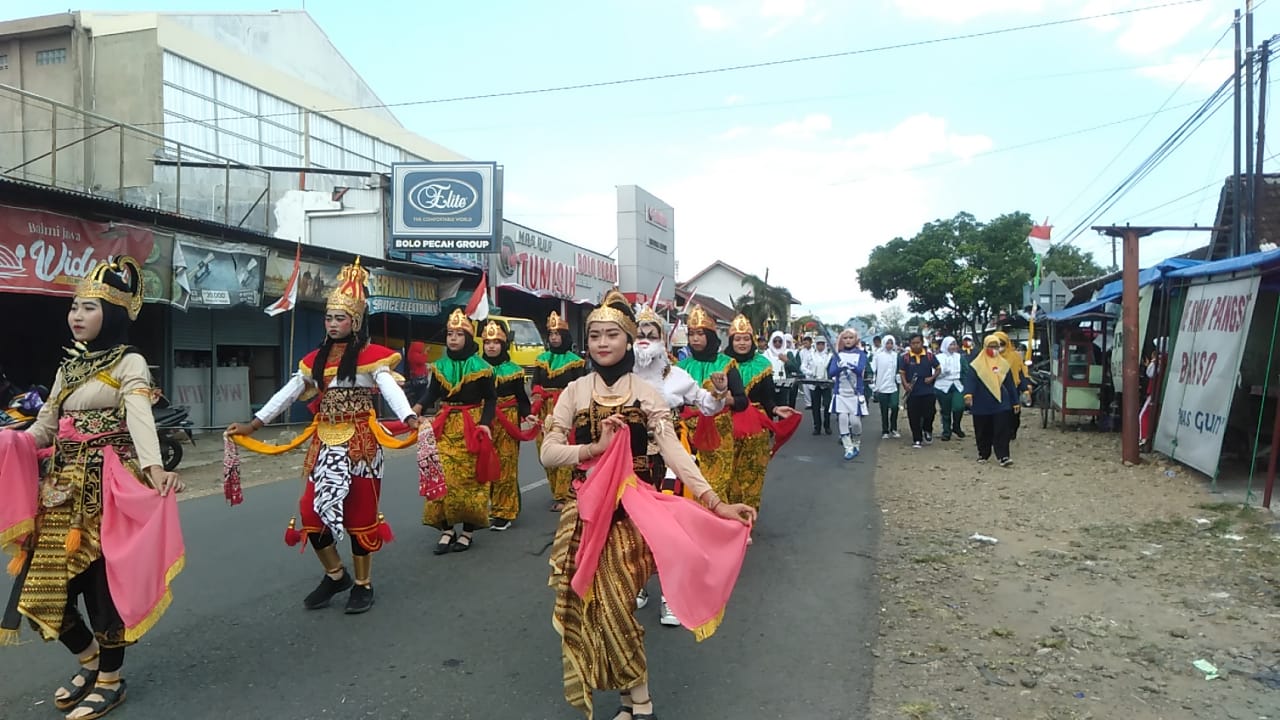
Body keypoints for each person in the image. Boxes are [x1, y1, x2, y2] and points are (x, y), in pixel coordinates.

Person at [540, 290, 757, 720]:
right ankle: (630, 701)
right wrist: (593, 449)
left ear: (628, 340)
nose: (603, 343)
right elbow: (548, 453)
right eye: (595, 336)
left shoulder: (646, 393)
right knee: (593, 609)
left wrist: (716, 503)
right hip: (584, 515)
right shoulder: (574, 392)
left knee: (617, 604)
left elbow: (675, 453)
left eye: (611, 335)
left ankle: (641, 702)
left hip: (631, 514)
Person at [2, 257, 185, 720]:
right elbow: (44, 430)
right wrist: (9, 441)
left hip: (106, 491)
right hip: (60, 492)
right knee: (44, 590)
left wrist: (154, 467)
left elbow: (139, 416)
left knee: (102, 591)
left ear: (114, 313)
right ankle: (89, 661)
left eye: (88, 307)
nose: (76, 316)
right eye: (74, 307)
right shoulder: (68, 367)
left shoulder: (130, 362)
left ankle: (110, 680)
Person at [226, 258, 419, 614]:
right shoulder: (315, 360)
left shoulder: (371, 358)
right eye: (329, 318)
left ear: (355, 321)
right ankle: (336, 575)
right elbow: (288, 393)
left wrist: (408, 416)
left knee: (360, 515)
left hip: (361, 444)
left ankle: (363, 584)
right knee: (311, 513)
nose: (332, 323)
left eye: (340, 318)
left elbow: (389, 387)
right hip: (325, 443)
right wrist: (254, 424)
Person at [631, 303, 729, 627]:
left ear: (663, 340)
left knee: (672, 527)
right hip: (631, 456)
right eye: (640, 333)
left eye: (651, 334)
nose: (645, 339)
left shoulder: (677, 376)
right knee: (634, 524)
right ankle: (638, 585)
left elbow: (707, 406)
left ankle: (670, 597)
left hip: (670, 455)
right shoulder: (622, 375)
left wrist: (719, 392)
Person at [412, 309, 497, 555]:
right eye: (450, 334)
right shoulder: (440, 366)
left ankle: (468, 531)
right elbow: (431, 393)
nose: (453, 339)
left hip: (472, 425)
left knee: (470, 479)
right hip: (445, 425)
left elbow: (491, 399)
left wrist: (485, 423)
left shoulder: (482, 367)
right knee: (441, 475)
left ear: (468, 338)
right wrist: (416, 409)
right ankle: (447, 529)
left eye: (459, 334)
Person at [725, 315, 799, 515]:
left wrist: (775, 409)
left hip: (755, 427)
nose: (742, 343)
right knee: (727, 473)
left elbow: (768, 398)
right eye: (737, 339)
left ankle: (747, 517)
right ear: (731, 341)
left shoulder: (762, 364)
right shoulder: (721, 363)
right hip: (726, 425)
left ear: (752, 341)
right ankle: (726, 517)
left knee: (752, 474)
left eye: (746, 339)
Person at [677, 305, 749, 510]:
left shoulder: (727, 364)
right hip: (687, 434)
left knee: (715, 486)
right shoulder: (680, 367)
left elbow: (742, 401)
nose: (695, 339)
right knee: (688, 485)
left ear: (710, 336)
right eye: (691, 334)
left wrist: (721, 399)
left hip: (719, 435)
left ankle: (718, 525)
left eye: (700, 334)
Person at [480, 319, 538, 532]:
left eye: (496, 342)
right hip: (482, 421)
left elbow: (521, 397)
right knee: (484, 465)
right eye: (487, 342)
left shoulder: (514, 370)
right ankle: (487, 507)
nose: (491, 346)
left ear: (503, 345)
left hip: (507, 420)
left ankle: (504, 512)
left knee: (505, 465)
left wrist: (528, 414)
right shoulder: (475, 368)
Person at [531, 312, 587, 512]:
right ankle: (556, 490)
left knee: (563, 449)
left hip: (566, 409)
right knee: (545, 451)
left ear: (565, 336)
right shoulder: (541, 360)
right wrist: (536, 399)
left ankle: (564, 495)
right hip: (545, 411)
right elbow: (535, 384)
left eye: (557, 334)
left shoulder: (576, 362)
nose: (554, 337)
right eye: (551, 334)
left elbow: (581, 387)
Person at [964, 335, 1027, 467]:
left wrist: (1015, 401)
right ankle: (983, 454)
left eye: (996, 347)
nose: (994, 349)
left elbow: (1010, 384)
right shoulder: (976, 365)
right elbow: (970, 380)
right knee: (983, 430)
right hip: (982, 402)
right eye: (991, 347)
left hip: (1001, 402)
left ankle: (1003, 456)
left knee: (1002, 429)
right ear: (985, 347)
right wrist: (968, 394)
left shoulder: (1003, 364)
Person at [828, 329, 869, 460]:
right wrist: (839, 367)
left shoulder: (861, 354)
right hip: (841, 393)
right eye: (845, 338)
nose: (848, 340)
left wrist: (849, 365)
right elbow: (831, 372)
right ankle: (848, 448)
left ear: (855, 339)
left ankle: (856, 443)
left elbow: (860, 370)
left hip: (855, 393)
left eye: (851, 337)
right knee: (843, 419)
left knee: (855, 422)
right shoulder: (838, 355)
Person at [898, 333, 940, 449]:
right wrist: (905, 384)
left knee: (930, 413)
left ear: (922, 343)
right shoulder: (905, 358)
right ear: (910, 344)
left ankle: (927, 429)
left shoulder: (929, 356)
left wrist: (932, 378)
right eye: (913, 343)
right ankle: (917, 438)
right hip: (913, 392)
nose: (916, 345)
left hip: (928, 391)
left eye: (918, 343)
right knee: (913, 416)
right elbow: (902, 373)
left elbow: (938, 369)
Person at [990, 331, 1029, 441]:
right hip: (995, 389)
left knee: (1014, 415)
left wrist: (1025, 388)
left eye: (1002, 344)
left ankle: (1012, 431)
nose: (999, 347)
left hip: (1013, 389)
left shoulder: (1015, 357)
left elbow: (1020, 373)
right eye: (996, 344)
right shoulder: (989, 356)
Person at [935, 336, 967, 441]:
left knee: (959, 407)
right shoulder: (938, 357)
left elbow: (965, 371)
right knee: (945, 410)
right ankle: (946, 431)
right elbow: (934, 372)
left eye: (954, 344)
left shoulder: (960, 357)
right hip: (942, 385)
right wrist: (943, 373)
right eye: (951, 344)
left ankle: (956, 426)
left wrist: (965, 383)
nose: (953, 347)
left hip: (957, 385)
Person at [871, 335, 902, 439]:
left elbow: (899, 369)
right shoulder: (878, 356)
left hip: (893, 386)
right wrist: (874, 385)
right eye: (887, 343)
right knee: (884, 409)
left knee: (894, 406)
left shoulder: (896, 356)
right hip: (882, 386)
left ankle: (894, 428)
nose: (889, 345)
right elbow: (874, 370)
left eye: (891, 343)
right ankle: (885, 430)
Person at [804, 336, 833, 435]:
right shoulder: (810, 355)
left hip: (826, 383)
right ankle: (817, 427)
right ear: (815, 345)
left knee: (827, 405)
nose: (820, 346)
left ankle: (827, 425)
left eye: (822, 344)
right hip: (814, 383)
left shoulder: (830, 356)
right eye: (818, 344)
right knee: (815, 406)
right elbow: (803, 367)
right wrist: (811, 373)